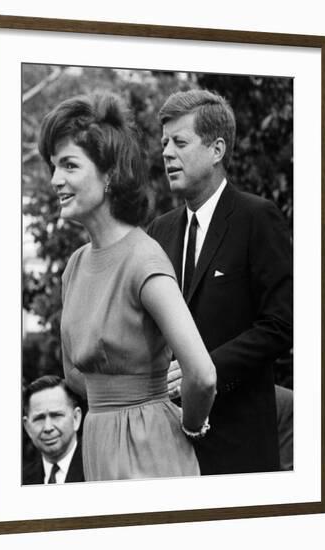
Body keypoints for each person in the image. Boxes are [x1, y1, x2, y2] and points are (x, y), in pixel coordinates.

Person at [38, 92, 217, 481]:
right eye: (54, 166)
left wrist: (189, 425)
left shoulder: (144, 259)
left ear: (110, 175)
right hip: (100, 444)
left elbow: (201, 375)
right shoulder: (75, 266)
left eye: (69, 165)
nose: (55, 180)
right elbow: (74, 375)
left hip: (151, 448)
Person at [148, 89, 293, 475]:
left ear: (217, 150)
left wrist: (204, 371)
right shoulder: (158, 232)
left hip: (240, 447)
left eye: (179, 142)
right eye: (164, 143)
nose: (166, 153)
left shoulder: (257, 219)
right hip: (167, 449)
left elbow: (280, 326)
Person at [23, 375, 84, 484]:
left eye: (56, 415)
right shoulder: (22, 480)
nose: (48, 427)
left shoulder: (98, 470)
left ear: (76, 418)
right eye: (39, 418)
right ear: (27, 427)